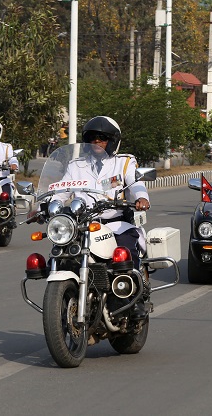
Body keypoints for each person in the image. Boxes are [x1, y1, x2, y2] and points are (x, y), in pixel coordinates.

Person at [58, 116, 151, 317]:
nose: (97, 142)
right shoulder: (76, 165)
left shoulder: (124, 162)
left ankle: (133, 301)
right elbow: (62, 189)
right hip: (83, 224)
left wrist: (141, 198)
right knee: (61, 254)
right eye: (92, 138)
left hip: (116, 224)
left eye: (102, 138)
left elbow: (135, 183)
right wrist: (46, 204)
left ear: (113, 141)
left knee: (125, 252)